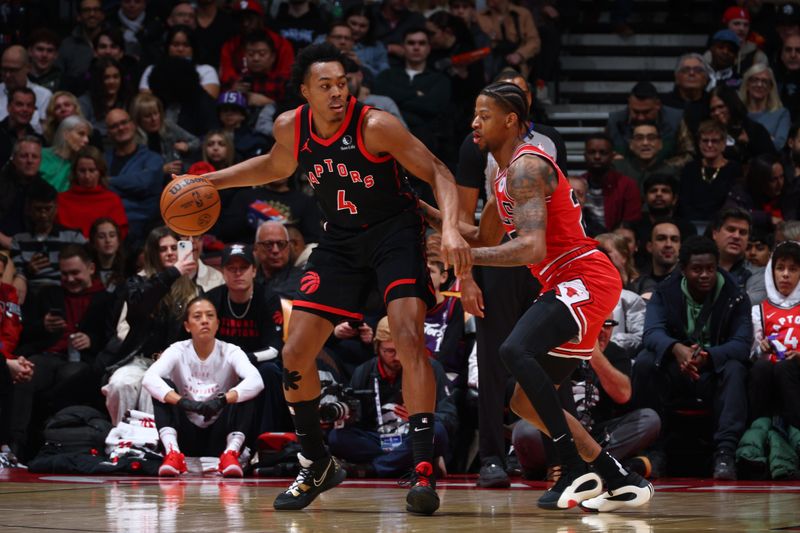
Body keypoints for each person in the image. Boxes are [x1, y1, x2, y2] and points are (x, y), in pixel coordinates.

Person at [195, 42, 469, 514]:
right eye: (326, 86)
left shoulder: (376, 125)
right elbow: (274, 166)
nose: (338, 92)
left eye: (343, 83)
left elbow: (439, 172)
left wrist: (447, 229)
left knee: (406, 337)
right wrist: (212, 181)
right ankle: (317, 462)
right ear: (305, 91)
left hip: (394, 236)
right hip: (340, 243)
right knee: (295, 351)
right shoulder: (291, 127)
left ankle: (422, 469)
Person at [421, 82, 652, 512]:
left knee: (513, 349)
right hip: (565, 282)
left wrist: (464, 255)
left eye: (483, 115)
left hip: (584, 276)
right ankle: (617, 475)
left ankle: (572, 466)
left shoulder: (528, 167)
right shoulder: (503, 176)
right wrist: (425, 213)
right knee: (523, 400)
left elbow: (531, 248)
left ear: (510, 120)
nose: (474, 122)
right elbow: (482, 235)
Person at [633, 236, 752, 480]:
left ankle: (725, 453)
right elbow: (651, 333)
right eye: (697, 269)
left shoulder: (736, 295)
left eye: (710, 268)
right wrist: (677, 349)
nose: (705, 275)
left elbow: (742, 344)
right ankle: (654, 450)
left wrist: (709, 356)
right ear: (683, 270)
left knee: (736, 369)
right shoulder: (664, 292)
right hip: (678, 368)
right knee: (646, 362)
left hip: (713, 371)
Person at [513, 316, 661, 479]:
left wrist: (596, 357)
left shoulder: (616, 353)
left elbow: (623, 395)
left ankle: (593, 466)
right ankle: (611, 467)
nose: (603, 331)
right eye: (598, 325)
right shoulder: (559, 351)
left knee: (649, 419)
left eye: (609, 325)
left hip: (597, 435)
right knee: (524, 430)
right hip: (555, 432)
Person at [143, 297, 264, 477]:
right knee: (164, 387)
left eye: (210, 316)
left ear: (217, 324)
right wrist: (185, 403)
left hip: (220, 433)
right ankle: (172, 453)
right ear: (187, 326)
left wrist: (222, 400)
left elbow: (256, 381)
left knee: (244, 389)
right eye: (197, 317)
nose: (204, 320)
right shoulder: (177, 350)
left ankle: (231, 453)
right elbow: (149, 378)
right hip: (185, 432)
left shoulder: (231, 351)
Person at [13, 243, 114, 458]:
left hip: (83, 362)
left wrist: (91, 341)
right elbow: (22, 332)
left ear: (91, 269)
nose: (69, 279)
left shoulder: (106, 299)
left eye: (75, 273)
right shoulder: (49, 294)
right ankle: (13, 448)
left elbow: (114, 339)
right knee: (24, 374)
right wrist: (43, 326)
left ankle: (58, 443)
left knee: (72, 376)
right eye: (64, 274)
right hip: (48, 355)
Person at [327, 316, 457, 478]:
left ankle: (373, 469)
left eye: (401, 350)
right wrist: (348, 416)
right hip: (379, 439)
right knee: (337, 437)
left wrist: (420, 417)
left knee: (435, 432)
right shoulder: (363, 371)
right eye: (389, 351)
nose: (396, 357)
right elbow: (357, 422)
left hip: (414, 435)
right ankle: (405, 463)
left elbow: (450, 418)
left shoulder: (429, 367)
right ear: (377, 348)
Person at [205, 244, 287, 433]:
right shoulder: (212, 299)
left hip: (258, 363)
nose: (238, 273)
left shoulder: (268, 298)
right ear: (223, 273)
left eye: (243, 268)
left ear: (254, 271)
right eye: (232, 269)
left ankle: (266, 437)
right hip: (220, 363)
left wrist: (243, 360)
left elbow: (275, 348)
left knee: (270, 371)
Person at [748, 241, 800, 433]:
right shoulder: (758, 311)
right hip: (767, 372)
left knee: (786, 367)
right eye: (780, 268)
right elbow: (750, 355)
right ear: (772, 272)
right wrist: (761, 348)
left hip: (796, 374)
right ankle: (756, 433)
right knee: (761, 366)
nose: (785, 274)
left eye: (793, 269)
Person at [10, 180, 86, 305]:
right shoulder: (19, 240)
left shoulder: (73, 237)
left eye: (48, 209)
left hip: (66, 292)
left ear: (56, 208)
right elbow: (17, 273)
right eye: (38, 209)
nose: (43, 214)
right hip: (32, 295)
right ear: (29, 209)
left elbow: (88, 266)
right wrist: (28, 271)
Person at [104, 108, 165, 245]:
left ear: (133, 125)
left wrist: (109, 182)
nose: (120, 128)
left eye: (124, 122)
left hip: (145, 230)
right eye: (114, 126)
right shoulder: (103, 161)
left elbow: (144, 183)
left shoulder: (153, 158)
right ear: (108, 133)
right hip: (110, 229)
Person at [677, 120, 743, 225]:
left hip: (721, 224)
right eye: (705, 140)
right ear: (699, 143)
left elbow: (732, 203)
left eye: (714, 141)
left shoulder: (733, 169)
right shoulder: (690, 168)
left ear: (723, 143)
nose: (709, 145)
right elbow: (684, 202)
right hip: (691, 223)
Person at [56, 146, 128, 241]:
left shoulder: (112, 200)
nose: (87, 176)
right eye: (82, 171)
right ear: (75, 172)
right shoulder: (61, 200)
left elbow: (120, 234)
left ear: (100, 172)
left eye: (92, 170)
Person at [0, 252, 30, 465]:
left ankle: (9, 448)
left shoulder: (7, 293)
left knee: (24, 378)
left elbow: (10, 334)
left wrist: (13, 361)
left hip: (3, 357)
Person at [579, 133, 641, 233]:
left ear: (612, 156)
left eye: (603, 153)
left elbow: (630, 222)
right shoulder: (576, 184)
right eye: (592, 152)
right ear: (585, 155)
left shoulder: (627, 185)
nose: (597, 157)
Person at [725, 152, 798, 235]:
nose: (780, 183)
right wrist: (767, 219)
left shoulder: (789, 191)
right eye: (773, 180)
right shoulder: (741, 192)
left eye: (781, 177)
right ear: (760, 181)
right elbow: (732, 213)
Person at [139, 25, 220, 100]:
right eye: (175, 44)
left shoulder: (206, 70)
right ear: (167, 47)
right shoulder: (152, 69)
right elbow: (146, 100)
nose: (180, 49)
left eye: (186, 45)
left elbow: (209, 99)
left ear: (193, 49)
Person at [606, 81, 683, 159]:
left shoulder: (677, 120)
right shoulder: (614, 122)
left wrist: (668, 168)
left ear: (658, 105)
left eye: (646, 112)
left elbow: (686, 154)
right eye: (636, 112)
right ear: (629, 104)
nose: (641, 117)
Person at [130, 93, 200, 177]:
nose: (154, 119)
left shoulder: (168, 126)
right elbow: (136, 173)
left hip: (178, 178)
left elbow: (196, 141)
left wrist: (187, 146)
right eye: (147, 116)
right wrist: (161, 170)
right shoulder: (134, 140)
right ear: (138, 119)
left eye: (156, 113)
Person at [0, 137, 46, 249]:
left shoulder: (46, 190)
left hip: (32, 247)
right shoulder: (2, 183)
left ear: (40, 161)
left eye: (34, 157)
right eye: (24, 156)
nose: (29, 161)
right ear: (13, 159)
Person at [475, 0, 540, 79]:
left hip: (517, 65)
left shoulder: (523, 14)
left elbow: (534, 41)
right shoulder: (480, 16)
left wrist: (520, 55)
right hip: (492, 65)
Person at [0, 45, 52, 134]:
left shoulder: (44, 96)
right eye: (4, 70)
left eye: (13, 70)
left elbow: (46, 133)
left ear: (28, 68)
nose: (7, 75)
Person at [78, 58, 133, 139]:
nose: (112, 81)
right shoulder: (84, 102)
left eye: (116, 77)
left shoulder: (128, 100)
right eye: (106, 77)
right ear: (98, 80)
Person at [739, 64, 791, 150]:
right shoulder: (738, 112)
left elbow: (778, 145)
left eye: (764, 81)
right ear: (747, 84)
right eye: (755, 80)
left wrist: (750, 139)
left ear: (770, 87)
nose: (759, 84)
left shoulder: (781, 114)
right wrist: (767, 138)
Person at [57, 0, 106, 90]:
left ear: (102, 15)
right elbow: (59, 78)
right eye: (86, 10)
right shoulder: (67, 45)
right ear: (78, 16)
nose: (92, 14)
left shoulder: (113, 42)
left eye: (96, 10)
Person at [613, 123, 679, 190]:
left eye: (651, 138)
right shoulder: (617, 168)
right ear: (631, 144)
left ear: (660, 144)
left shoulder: (670, 173)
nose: (645, 143)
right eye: (639, 138)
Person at [633, 219, 681, 298]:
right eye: (661, 238)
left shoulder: (688, 283)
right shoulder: (637, 283)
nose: (668, 244)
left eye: (674, 240)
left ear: (680, 247)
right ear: (649, 246)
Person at [345, 4, 391, 79]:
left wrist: (361, 65)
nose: (357, 29)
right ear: (345, 21)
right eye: (353, 23)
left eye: (362, 26)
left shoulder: (378, 47)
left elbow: (386, 77)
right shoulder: (327, 39)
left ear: (370, 27)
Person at [0, 88, 40, 166]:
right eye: (19, 104)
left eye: (29, 105)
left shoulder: (39, 140)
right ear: (9, 107)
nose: (25, 109)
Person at [88, 218, 126, 291]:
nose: (108, 240)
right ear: (93, 243)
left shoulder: (128, 269)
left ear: (118, 241)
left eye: (112, 235)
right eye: (101, 237)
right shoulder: (87, 271)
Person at [27, 28, 62, 94]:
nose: (44, 55)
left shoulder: (63, 82)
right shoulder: (20, 78)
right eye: (40, 49)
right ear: (30, 51)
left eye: (50, 50)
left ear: (56, 55)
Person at [775, 34, 800, 123]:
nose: (793, 55)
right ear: (781, 54)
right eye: (788, 50)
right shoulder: (770, 77)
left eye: (798, 50)